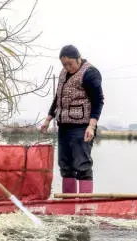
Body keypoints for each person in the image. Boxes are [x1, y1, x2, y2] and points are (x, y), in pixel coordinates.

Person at [40, 45, 104, 194]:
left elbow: (98, 101)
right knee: (65, 165)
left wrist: (91, 126)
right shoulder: (63, 73)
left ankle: (84, 203)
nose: (67, 67)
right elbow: (58, 98)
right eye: (64, 64)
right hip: (64, 127)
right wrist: (48, 119)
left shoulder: (90, 73)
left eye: (70, 63)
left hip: (81, 127)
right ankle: (68, 201)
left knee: (82, 164)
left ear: (79, 58)